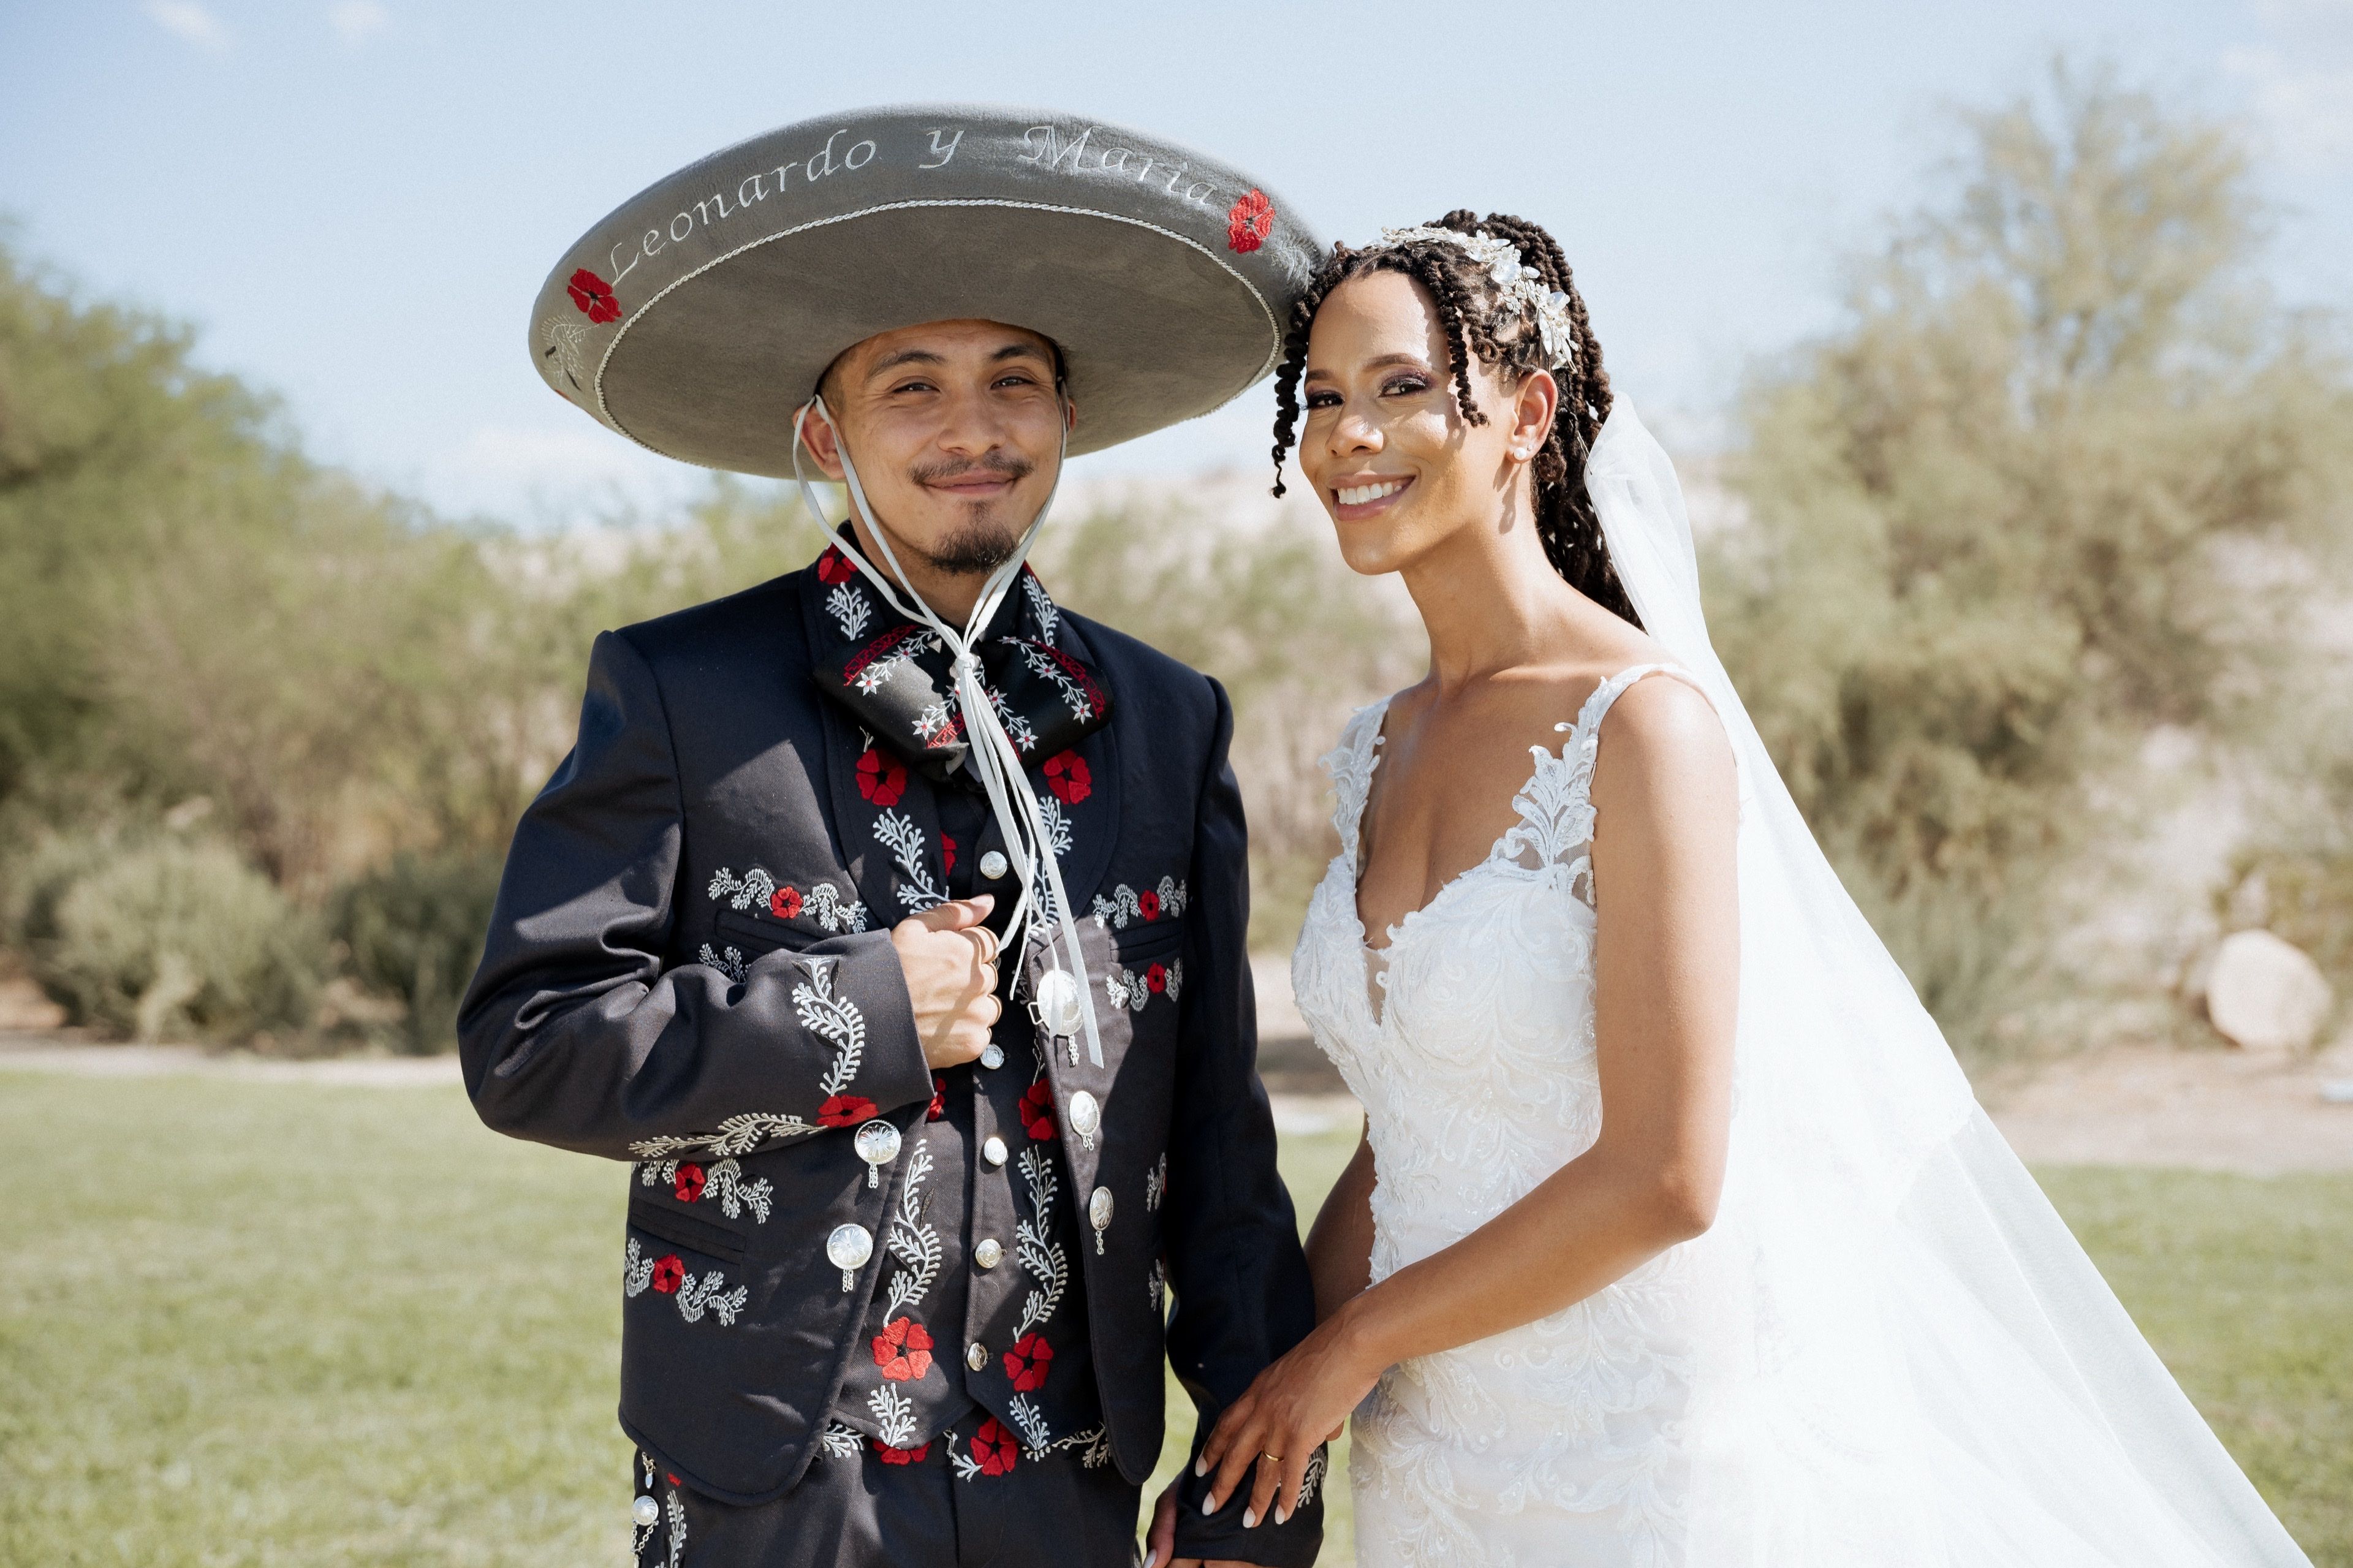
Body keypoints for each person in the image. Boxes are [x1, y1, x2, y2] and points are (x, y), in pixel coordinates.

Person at [1189, 212, 2316, 1566]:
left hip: (1631, 1452)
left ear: (1526, 413)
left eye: (1400, 389)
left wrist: (1357, 1344)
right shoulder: (1374, 748)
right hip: (1432, 1453)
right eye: (1320, 400)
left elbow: (1665, 1175)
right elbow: (1405, 1137)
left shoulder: (1642, 726)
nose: (1347, 437)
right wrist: (1268, 1431)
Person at [458, 105, 1330, 1568]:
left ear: (1066, 421)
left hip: (1069, 1478)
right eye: (909, 385)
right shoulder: (684, 688)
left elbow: (1215, 1130)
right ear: (826, 433)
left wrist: (1258, 1482)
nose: (972, 429)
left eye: (1015, 383)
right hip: (773, 1475)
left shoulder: (1170, 719)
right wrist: (863, 1009)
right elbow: (530, 1041)